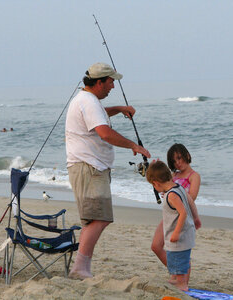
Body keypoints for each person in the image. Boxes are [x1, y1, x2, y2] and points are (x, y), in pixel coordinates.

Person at [65, 62, 150, 279]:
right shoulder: (88, 102)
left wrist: (120, 109)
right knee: (99, 219)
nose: (113, 86)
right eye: (111, 81)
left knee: (93, 219)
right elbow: (104, 132)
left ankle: (82, 268)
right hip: (90, 168)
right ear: (100, 82)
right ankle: (80, 269)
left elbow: (99, 116)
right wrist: (133, 145)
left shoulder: (87, 100)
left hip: (87, 167)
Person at [146, 160, 196, 291]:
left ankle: (181, 284)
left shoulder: (172, 195)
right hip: (182, 234)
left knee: (179, 260)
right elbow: (189, 203)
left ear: (156, 183)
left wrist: (176, 232)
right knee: (174, 260)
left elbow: (183, 212)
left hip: (180, 235)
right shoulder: (177, 187)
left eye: (153, 185)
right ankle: (175, 279)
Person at [151, 143, 201, 270]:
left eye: (179, 158)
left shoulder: (194, 176)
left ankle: (181, 273)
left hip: (182, 218)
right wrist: (155, 167)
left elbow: (191, 197)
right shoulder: (173, 176)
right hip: (169, 216)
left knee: (181, 251)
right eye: (174, 161)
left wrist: (174, 194)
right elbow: (161, 182)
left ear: (187, 155)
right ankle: (176, 271)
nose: (178, 163)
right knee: (156, 246)